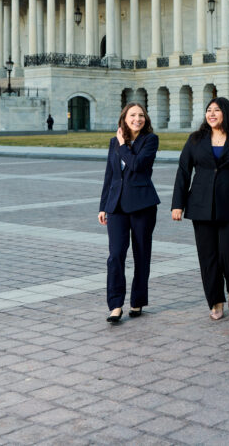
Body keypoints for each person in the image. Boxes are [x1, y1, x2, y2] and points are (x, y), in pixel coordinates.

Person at [172, 97, 229, 320]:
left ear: (226, 113)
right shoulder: (195, 140)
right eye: (208, 110)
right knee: (208, 257)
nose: (211, 114)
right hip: (201, 207)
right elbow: (183, 172)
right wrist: (177, 204)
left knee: (228, 252)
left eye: (216, 110)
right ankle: (215, 299)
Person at [97, 101, 160, 324]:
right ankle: (115, 305)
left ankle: (137, 301)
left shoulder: (150, 140)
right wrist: (103, 205)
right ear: (124, 118)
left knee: (141, 254)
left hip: (142, 205)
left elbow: (137, 165)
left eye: (141, 115)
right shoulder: (114, 141)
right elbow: (110, 175)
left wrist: (124, 145)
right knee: (115, 256)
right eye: (133, 115)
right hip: (116, 207)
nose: (137, 119)